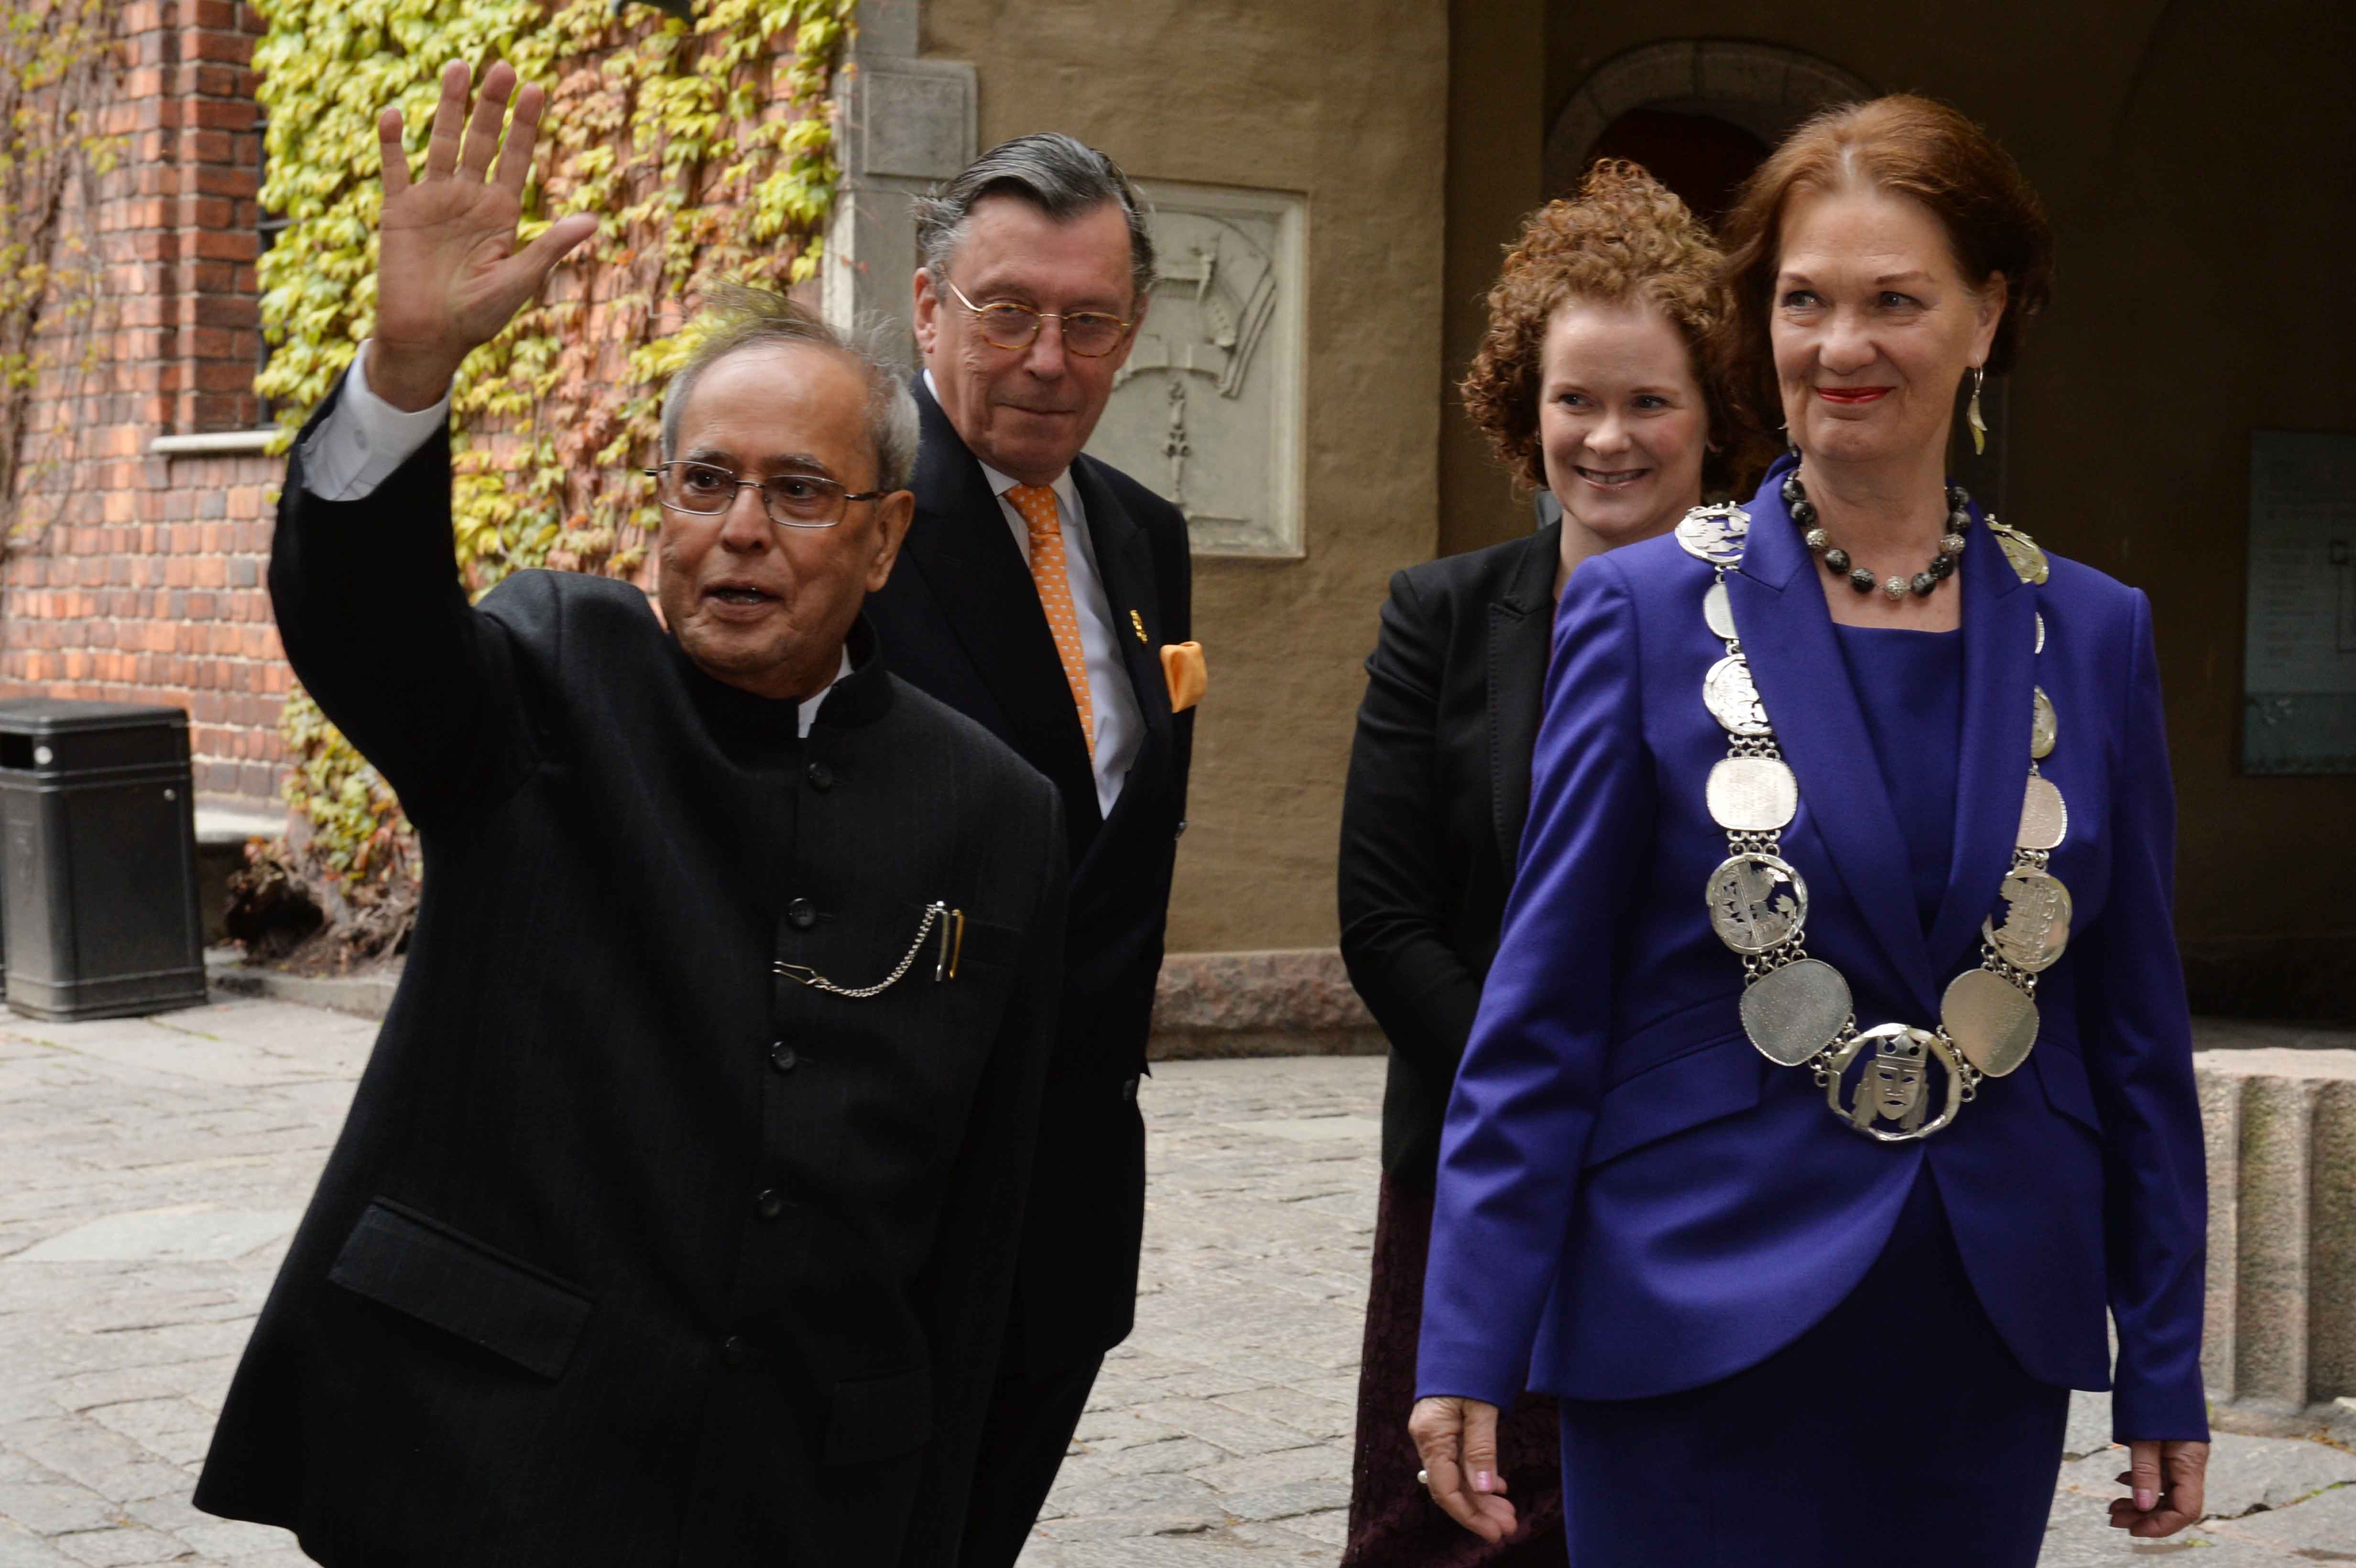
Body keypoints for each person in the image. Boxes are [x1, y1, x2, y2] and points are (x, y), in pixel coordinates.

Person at [192, 63, 1067, 1567]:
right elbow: (363, 624)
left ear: (884, 540)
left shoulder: (995, 812)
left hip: (805, 1492)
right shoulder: (550, 677)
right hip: (493, 1465)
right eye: (704, 482)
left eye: (799, 493)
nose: (739, 531)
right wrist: (406, 368)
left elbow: (985, 1228)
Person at [1409, 96, 2211, 1566]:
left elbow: (2136, 1032)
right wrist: (1467, 1336)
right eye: (1803, 301)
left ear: (1989, 315)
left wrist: (2163, 1358)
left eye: (1895, 301)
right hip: (1690, 1310)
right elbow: (1544, 1012)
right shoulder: (1642, 613)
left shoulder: (2096, 636)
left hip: (1982, 1333)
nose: (1842, 347)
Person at [1336, 162, 1739, 1567]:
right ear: (1527, 406)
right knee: (1453, 1529)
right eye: (1577, 399)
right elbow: (1386, 923)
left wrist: (1653, 1113)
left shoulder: (1787, 634)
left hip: (1701, 1182)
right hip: (1475, 1170)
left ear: (1714, 414)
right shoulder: (1441, 616)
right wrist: (1548, 1109)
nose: (1609, 438)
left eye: (1650, 402)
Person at [859, 132, 1198, 1567]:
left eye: (1090, 321)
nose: (1050, 360)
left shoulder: (1142, 532)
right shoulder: (855, 515)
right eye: (1007, 312)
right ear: (927, 308)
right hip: (888, 1189)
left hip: (1070, 1193)